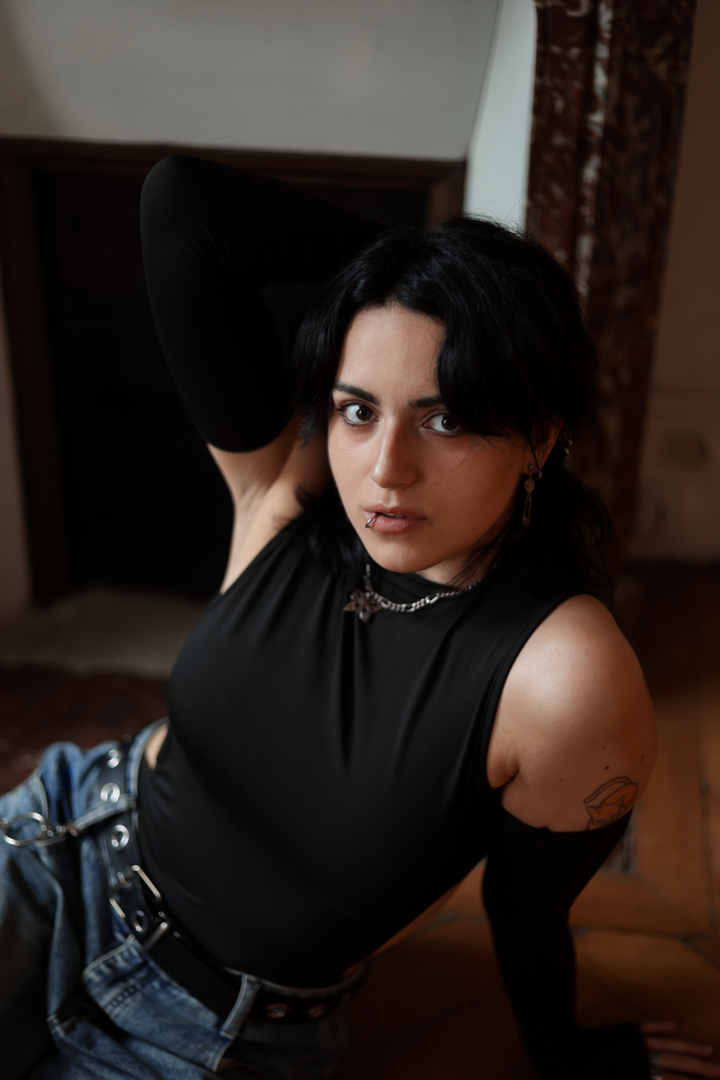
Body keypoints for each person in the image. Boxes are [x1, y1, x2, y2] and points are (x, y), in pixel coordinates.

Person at [1, 156, 717, 1080]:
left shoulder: (564, 678)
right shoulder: (286, 494)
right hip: (61, 846)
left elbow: (528, 907)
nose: (385, 470)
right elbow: (181, 205)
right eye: (357, 408)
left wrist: (567, 1053)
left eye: (446, 418)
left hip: (210, 1029)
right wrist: (418, 274)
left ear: (541, 436)